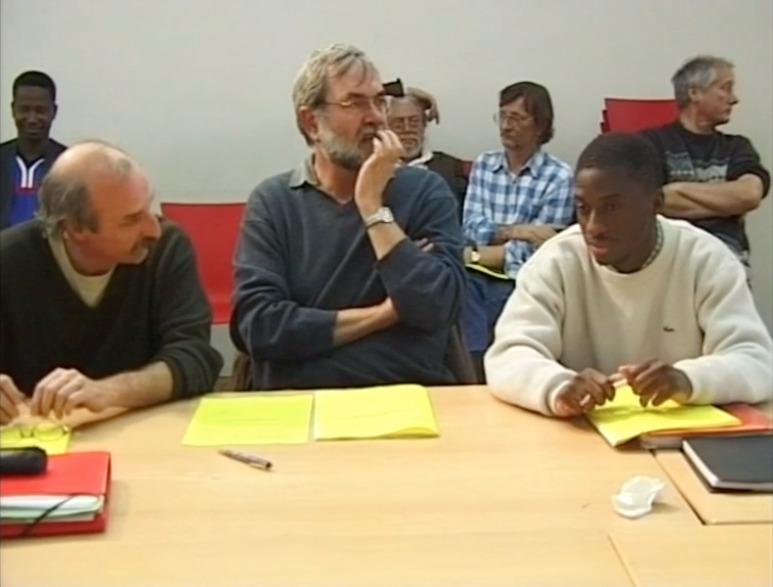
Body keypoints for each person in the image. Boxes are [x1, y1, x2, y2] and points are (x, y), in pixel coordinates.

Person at [485, 133, 772, 418]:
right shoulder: (556, 261)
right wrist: (556, 387)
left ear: (655, 204)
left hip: (681, 435)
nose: (593, 227)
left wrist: (688, 380)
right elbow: (508, 356)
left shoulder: (706, 259)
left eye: (612, 207)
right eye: (583, 208)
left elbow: (756, 361)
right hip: (580, 434)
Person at [231, 43, 466, 390]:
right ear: (311, 122)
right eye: (355, 103)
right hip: (296, 401)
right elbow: (261, 327)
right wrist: (385, 314)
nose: (376, 117)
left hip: (404, 398)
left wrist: (372, 206)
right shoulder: (274, 202)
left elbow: (436, 306)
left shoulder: (425, 191)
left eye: (379, 101)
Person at [0, 141, 223, 425]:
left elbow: (195, 358)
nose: (153, 229)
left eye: (148, 207)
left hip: (142, 429)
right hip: (37, 433)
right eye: (131, 220)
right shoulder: (8, 261)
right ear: (75, 228)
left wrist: (107, 392)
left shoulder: (166, 249)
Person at [461, 82, 575, 378]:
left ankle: (490, 375)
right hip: (475, 272)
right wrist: (520, 231)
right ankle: (474, 377)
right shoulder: (485, 165)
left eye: (517, 118)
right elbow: (471, 226)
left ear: (540, 126)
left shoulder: (559, 177)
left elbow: (541, 248)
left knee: (502, 300)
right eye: (502, 116)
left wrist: (477, 253)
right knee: (463, 289)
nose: (506, 126)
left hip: (522, 276)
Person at [640, 56, 770, 275]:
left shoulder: (737, 147)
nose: (734, 99)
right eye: (725, 88)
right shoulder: (650, 143)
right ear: (695, 93)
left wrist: (677, 189)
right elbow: (646, 203)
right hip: (668, 259)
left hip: (727, 260)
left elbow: (749, 195)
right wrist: (726, 203)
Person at [1, 71, 67, 230]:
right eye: (24, 109)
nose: (32, 119)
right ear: (13, 110)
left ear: (54, 111)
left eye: (40, 110)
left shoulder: (69, 166)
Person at [387, 92, 469, 220]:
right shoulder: (373, 169)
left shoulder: (451, 168)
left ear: (424, 125)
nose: (407, 129)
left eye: (414, 122)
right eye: (398, 124)